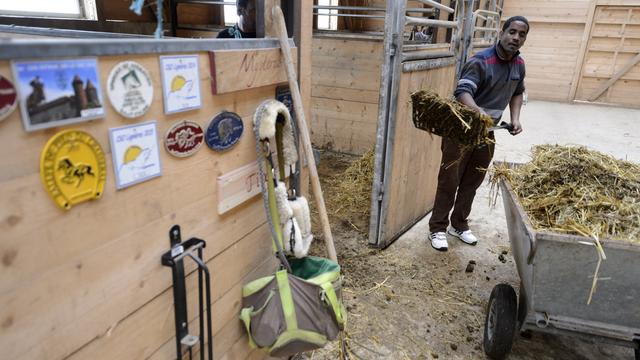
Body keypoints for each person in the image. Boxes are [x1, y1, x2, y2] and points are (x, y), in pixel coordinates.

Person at [428, 16, 529, 251]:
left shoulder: (519, 65)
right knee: (449, 180)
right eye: (512, 32)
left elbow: (518, 91)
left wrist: (515, 119)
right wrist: (480, 114)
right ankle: (437, 229)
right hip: (460, 130)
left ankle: (459, 224)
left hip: (487, 132)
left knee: (473, 181)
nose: (516, 37)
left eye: (521, 34)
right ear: (501, 32)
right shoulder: (481, 61)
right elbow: (463, 92)